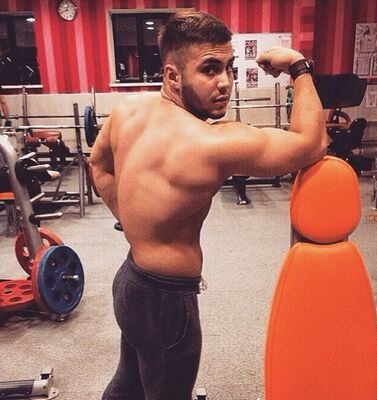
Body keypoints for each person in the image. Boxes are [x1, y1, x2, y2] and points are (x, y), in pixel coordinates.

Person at [90, 10, 328, 400]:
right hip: (166, 302)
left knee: (128, 383)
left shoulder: (127, 110)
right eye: (209, 69)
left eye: (229, 68)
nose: (225, 82)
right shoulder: (211, 143)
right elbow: (313, 143)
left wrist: (134, 224)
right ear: (172, 75)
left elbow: (98, 164)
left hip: (130, 283)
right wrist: (298, 67)